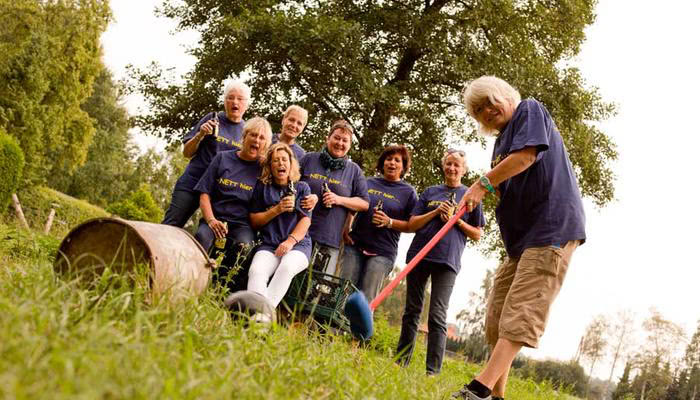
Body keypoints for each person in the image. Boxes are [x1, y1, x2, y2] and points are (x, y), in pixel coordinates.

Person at [451, 76, 586, 400]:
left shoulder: (529, 110)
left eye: (489, 101)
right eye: (479, 110)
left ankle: (479, 389)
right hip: (521, 242)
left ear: (506, 96)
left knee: (522, 310)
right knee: (497, 315)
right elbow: (507, 180)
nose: (486, 110)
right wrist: (484, 191)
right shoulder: (500, 146)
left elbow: (526, 156)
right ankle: (497, 395)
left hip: (552, 228)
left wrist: (482, 184)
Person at [396, 149, 485, 376]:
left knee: (437, 314)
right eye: (449, 164)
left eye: (457, 165)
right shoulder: (430, 192)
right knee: (412, 311)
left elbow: (477, 234)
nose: (452, 169)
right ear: (443, 167)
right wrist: (436, 212)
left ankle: (432, 372)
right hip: (420, 254)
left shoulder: (470, 196)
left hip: (447, 260)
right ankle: (400, 362)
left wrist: (456, 220)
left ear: (464, 170)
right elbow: (413, 223)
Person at [193, 117, 272, 292]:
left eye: (262, 138)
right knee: (201, 238)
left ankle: (220, 290)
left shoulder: (264, 170)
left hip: (242, 224)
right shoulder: (223, 158)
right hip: (214, 218)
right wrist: (212, 220)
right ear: (244, 136)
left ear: (266, 144)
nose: (256, 140)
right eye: (253, 135)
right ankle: (193, 285)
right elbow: (204, 193)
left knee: (244, 247)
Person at [162, 81, 251, 227]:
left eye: (240, 99)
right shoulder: (212, 119)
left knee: (211, 234)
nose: (235, 102)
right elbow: (187, 153)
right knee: (172, 224)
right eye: (230, 97)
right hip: (193, 181)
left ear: (247, 104)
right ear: (224, 101)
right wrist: (200, 135)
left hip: (217, 192)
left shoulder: (247, 131)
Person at [340, 145, 418, 302]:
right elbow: (353, 206)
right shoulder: (367, 183)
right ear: (383, 163)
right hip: (355, 245)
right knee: (343, 292)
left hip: (383, 252)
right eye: (389, 159)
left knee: (365, 298)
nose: (392, 163)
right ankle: (333, 327)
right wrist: (347, 227)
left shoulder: (408, 192)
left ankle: (357, 327)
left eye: (397, 160)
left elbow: (412, 226)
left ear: (403, 167)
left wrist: (389, 222)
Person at [246, 143, 312, 318]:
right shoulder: (262, 187)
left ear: (291, 164)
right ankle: (259, 318)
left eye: (284, 159)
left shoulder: (302, 188)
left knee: (287, 267)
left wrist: (290, 242)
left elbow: (305, 220)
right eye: (275, 160)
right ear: (270, 166)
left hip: (298, 245)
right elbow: (254, 221)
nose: (280, 163)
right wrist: (277, 209)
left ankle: (261, 317)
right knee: (256, 271)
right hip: (269, 244)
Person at [299, 120, 369, 275]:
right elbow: (290, 185)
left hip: (329, 239)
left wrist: (339, 199)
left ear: (350, 145)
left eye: (345, 140)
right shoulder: (308, 159)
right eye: (336, 138)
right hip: (298, 233)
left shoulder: (354, 171)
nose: (340, 143)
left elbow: (364, 203)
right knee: (290, 283)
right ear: (328, 138)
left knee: (316, 289)